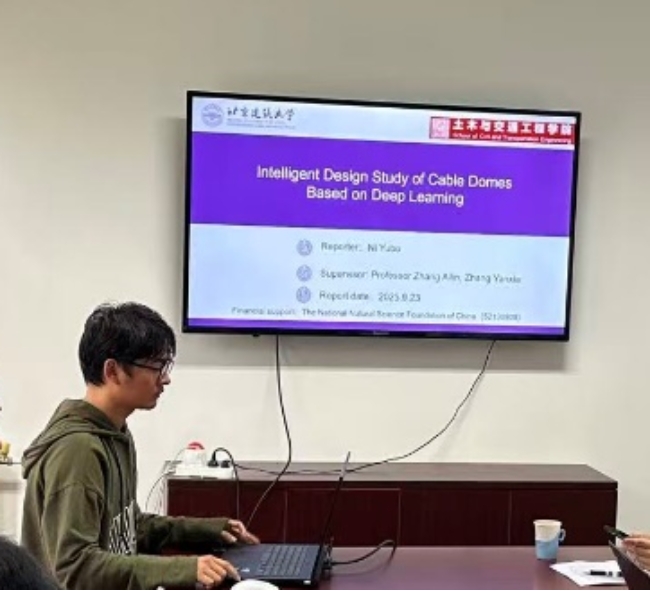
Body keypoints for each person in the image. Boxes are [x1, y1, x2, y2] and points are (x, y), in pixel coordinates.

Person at [21, 302, 259, 590]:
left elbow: (132, 527)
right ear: (113, 371)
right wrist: (185, 569)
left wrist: (208, 530)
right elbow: (75, 568)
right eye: (156, 366)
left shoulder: (115, 433)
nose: (166, 378)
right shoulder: (77, 450)